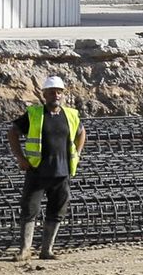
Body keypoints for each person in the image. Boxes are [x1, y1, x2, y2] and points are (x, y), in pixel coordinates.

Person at [6, 75, 85, 261]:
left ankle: (46, 250)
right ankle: (25, 250)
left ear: (62, 94)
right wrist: (20, 158)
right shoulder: (34, 114)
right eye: (51, 92)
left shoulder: (71, 115)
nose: (55, 95)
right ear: (44, 95)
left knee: (57, 210)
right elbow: (13, 132)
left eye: (58, 92)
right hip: (37, 172)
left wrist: (77, 153)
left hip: (62, 172)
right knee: (30, 209)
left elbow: (82, 133)